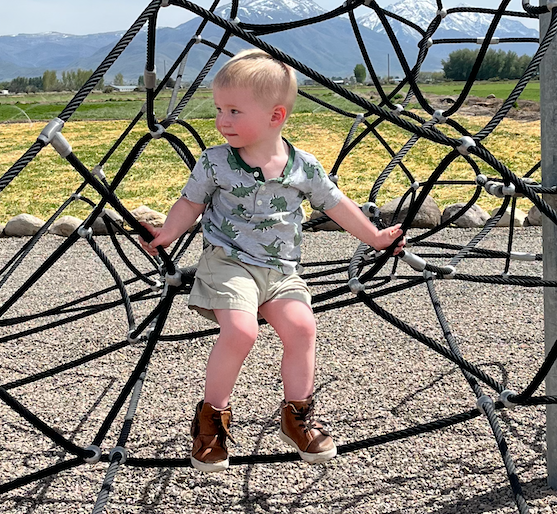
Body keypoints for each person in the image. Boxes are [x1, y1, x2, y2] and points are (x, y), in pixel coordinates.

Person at [143, 51, 404, 470]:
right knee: (242, 332)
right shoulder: (215, 162)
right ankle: (211, 419)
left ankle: (297, 416)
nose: (222, 121)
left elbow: (337, 205)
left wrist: (374, 237)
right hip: (229, 263)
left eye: (233, 111)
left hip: (281, 270)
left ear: (275, 116)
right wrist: (169, 233)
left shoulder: (303, 167)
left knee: (302, 327)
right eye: (218, 110)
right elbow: (189, 202)